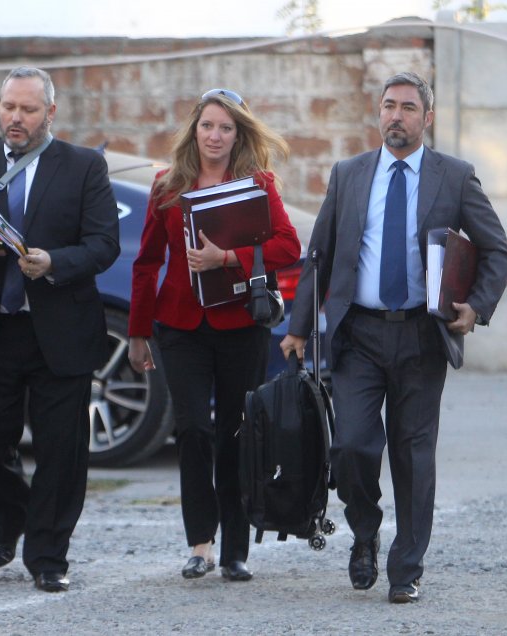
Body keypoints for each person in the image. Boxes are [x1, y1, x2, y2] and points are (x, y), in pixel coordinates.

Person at [280, 72, 507, 604]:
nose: (396, 116)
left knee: (413, 455)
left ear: (426, 118)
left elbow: (497, 249)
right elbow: (319, 256)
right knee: (351, 446)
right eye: (389, 106)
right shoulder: (349, 174)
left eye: (408, 107)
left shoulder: (454, 177)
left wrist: (476, 307)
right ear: (378, 112)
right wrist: (298, 327)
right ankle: (364, 532)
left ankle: (406, 568)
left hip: (421, 336)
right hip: (358, 335)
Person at [0, 66, 120, 593]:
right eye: (8, 107)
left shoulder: (84, 166)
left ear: (50, 113)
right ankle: (12, 518)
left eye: (28, 109)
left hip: (60, 328)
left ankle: (47, 557)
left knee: (62, 451)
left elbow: (104, 244)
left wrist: (54, 261)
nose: (15, 118)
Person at [128, 88, 301, 581]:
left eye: (226, 127)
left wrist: (227, 258)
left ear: (238, 134)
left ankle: (235, 552)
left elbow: (288, 245)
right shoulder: (167, 185)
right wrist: (138, 332)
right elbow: (146, 263)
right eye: (207, 125)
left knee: (234, 433)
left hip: (240, 325)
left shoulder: (257, 183)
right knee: (192, 430)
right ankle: (200, 544)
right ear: (194, 130)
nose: (215, 136)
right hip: (180, 327)